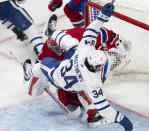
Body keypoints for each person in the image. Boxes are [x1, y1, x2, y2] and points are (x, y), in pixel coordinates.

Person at [23, 3, 133, 130]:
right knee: (47, 65)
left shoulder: (84, 51)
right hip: (63, 77)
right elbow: (105, 107)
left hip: (64, 71)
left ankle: (47, 40)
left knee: (45, 64)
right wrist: (123, 121)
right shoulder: (92, 81)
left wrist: (102, 17)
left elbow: (92, 31)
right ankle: (93, 115)